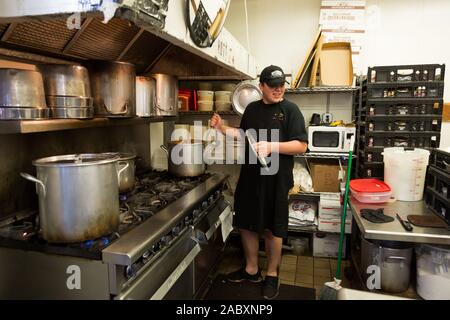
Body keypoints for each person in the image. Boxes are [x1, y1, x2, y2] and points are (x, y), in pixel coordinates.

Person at [209, 65, 308, 299]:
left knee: (273, 227)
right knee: (246, 222)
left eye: (281, 85)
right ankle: (251, 269)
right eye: (273, 86)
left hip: (276, 179)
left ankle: (272, 274)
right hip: (251, 177)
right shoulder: (252, 109)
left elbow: (301, 146)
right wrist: (221, 127)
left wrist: (273, 146)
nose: (278, 90)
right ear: (261, 86)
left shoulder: (290, 110)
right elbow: (244, 135)